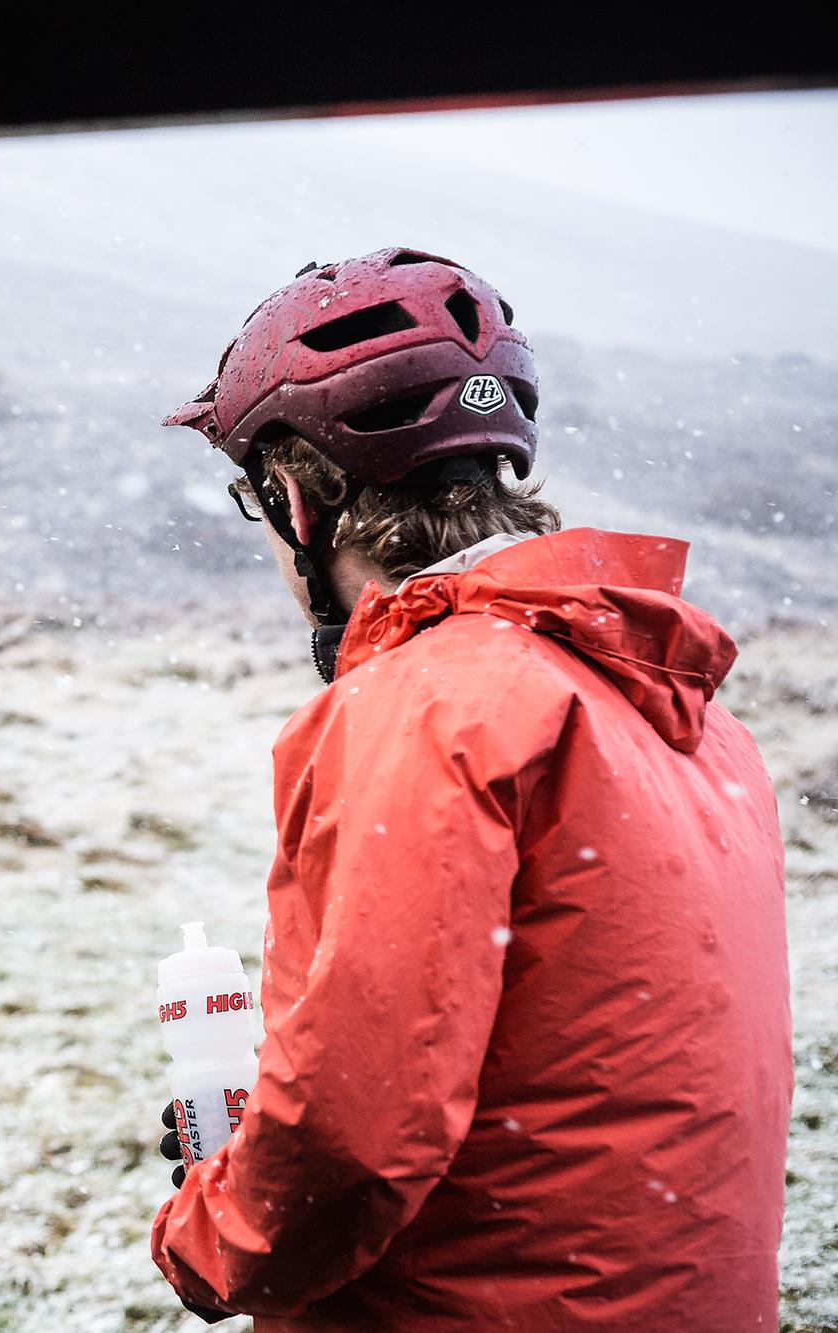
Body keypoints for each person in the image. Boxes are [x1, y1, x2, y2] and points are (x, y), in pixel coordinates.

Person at [150, 248, 792, 1327]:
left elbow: (357, 1132)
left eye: (250, 498)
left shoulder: (424, 708)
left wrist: (209, 1232)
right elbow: (575, 1053)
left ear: (299, 501)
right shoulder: (675, 706)